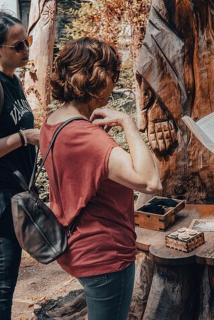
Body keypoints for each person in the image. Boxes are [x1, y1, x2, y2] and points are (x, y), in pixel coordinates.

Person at [39, 37, 162, 320]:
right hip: (104, 254)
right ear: (96, 77)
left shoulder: (53, 122)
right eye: (112, 74)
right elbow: (150, 181)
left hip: (75, 245)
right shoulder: (87, 137)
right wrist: (127, 123)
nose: (114, 83)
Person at [0, 11, 40, 320]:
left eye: (26, 42)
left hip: (16, 194)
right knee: (2, 284)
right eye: (18, 46)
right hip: (1, 202)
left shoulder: (13, 79)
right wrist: (25, 137)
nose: (26, 50)